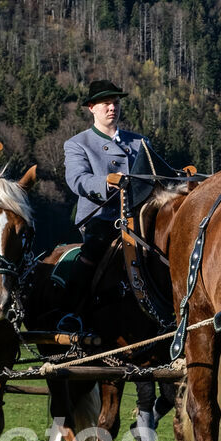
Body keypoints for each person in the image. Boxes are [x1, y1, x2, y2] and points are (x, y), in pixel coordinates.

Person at [62, 80, 151, 310]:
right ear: (91, 107)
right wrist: (105, 182)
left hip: (142, 216)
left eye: (116, 103)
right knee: (94, 249)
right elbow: (77, 180)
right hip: (102, 218)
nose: (112, 107)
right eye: (106, 103)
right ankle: (72, 312)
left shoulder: (141, 142)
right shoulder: (77, 144)